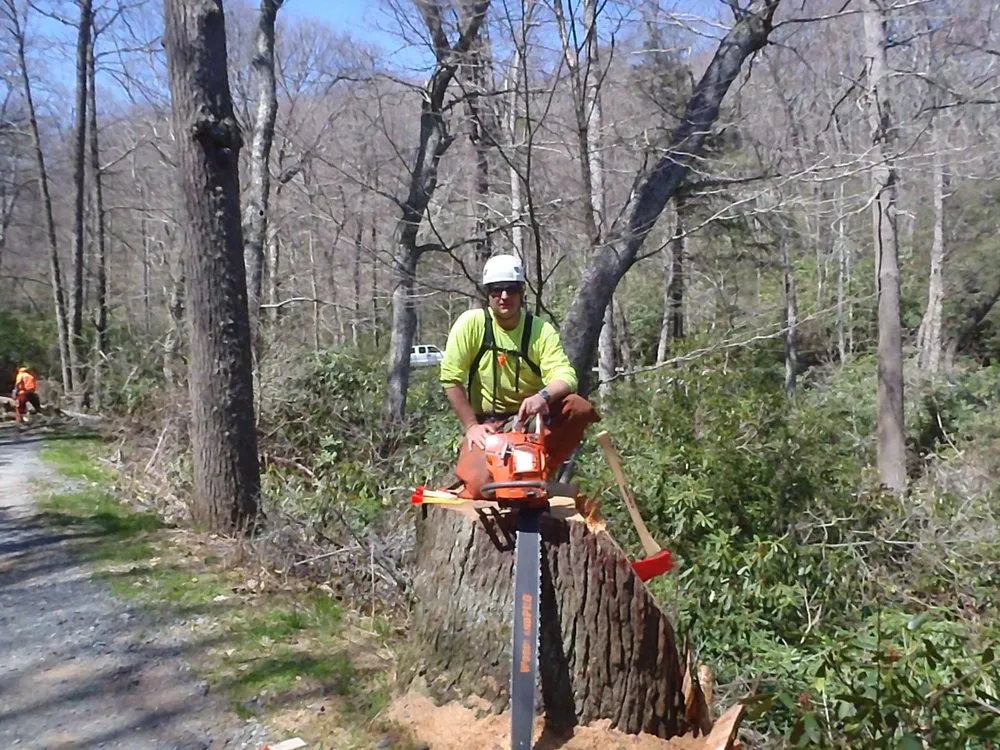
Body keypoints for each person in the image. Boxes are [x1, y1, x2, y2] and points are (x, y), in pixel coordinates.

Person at [439, 254, 600, 498]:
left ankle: (540, 476)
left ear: (522, 291)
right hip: (489, 427)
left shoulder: (540, 330)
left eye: (511, 289)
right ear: (488, 293)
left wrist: (542, 397)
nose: (504, 296)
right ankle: (517, 479)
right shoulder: (471, 324)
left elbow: (567, 376)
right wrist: (471, 426)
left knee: (577, 407)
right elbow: (450, 378)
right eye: (497, 290)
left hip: (530, 424)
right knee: (482, 487)